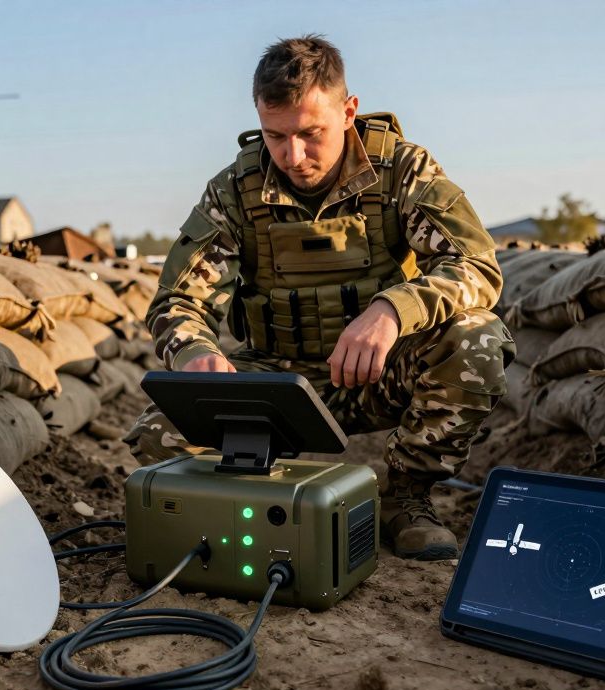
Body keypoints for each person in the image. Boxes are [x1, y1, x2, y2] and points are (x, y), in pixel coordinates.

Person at [123, 35, 514, 560]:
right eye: (275, 136)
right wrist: (197, 355)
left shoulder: (402, 170)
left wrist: (395, 309)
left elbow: (477, 267)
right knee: (159, 433)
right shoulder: (234, 192)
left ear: (348, 111)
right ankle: (265, 504)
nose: (293, 155)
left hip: (378, 377)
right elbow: (177, 301)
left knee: (478, 339)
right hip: (278, 386)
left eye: (311, 133)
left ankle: (406, 498)